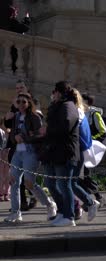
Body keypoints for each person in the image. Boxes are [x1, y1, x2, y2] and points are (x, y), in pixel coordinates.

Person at [4, 93, 57, 223]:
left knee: (29, 183)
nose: (21, 105)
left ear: (29, 103)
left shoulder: (34, 116)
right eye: (18, 102)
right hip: (18, 153)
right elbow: (11, 135)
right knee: (13, 181)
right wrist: (15, 138)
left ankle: (50, 205)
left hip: (30, 152)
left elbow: (40, 135)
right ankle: (16, 212)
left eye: (24, 102)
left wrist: (25, 137)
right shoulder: (16, 116)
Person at [40, 81, 80, 227]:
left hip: (65, 152)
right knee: (50, 183)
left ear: (59, 92)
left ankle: (69, 216)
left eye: (54, 91)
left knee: (64, 185)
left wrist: (47, 130)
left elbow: (65, 126)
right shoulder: (58, 106)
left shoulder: (68, 106)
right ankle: (63, 212)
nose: (52, 94)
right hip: (54, 152)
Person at [70, 89, 100, 222]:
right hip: (77, 151)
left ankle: (88, 203)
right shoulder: (79, 111)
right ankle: (73, 210)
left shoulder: (76, 113)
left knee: (70, 182)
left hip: (76, 151)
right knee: (68, 182)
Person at [4, 80, 32, 211]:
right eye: (17, 88)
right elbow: (9, 125)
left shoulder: (31, 102)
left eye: (21, 87)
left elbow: (35, 122)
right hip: (15, 145)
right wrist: (7, 118)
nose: (19, 90)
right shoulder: (15, 104)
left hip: (28, 146)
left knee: (29, 177)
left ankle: (40, 198)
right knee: (15, 177)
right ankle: (20, 205)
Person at [80, 93, 106, 206]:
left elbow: (103, 131)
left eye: (82, 100)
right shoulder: (80, 113)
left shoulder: (94, 114)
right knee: (79, 175)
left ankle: (97, 196)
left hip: (89, 147)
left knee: (85, 174)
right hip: (80, 147)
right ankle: (88, 198)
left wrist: (90, 139)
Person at [0, 118, 10, 202]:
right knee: (1, 176)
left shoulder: (5, 132)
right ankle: (1, 193)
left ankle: (6, 193)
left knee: (6, 176)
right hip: (1, 155)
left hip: (6, 156)